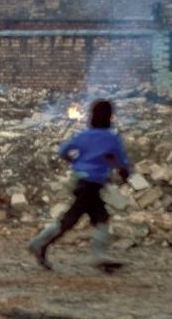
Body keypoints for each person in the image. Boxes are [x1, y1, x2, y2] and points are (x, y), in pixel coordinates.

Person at [28, 99, 131, 270]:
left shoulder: (83, 136)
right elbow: (121, 161)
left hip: (81, 180)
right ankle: (38, 243)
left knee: (99, 217)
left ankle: (99, 255)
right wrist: (123, 171)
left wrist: (76, 160)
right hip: (92, 184)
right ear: (109, 117)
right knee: (74, 219)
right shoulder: (111, 138)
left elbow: (63, 151)